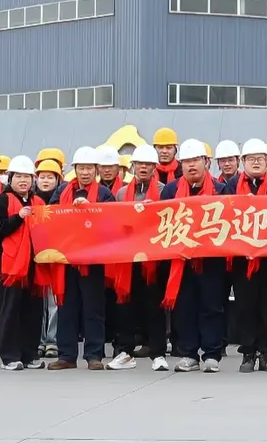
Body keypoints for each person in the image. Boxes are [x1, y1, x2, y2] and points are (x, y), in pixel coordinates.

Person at [161, 139, 229, 373]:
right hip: (181, 260)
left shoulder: (221, 190)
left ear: (206, 163)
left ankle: (212, 354)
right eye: (186, 162)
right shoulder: (170, 191)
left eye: (196, 161)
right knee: (184, 307)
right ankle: (189, 353)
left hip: (212, 260)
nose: (191, 166)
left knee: (212, 306)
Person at [49, 147, 113, 370]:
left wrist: (91, 210)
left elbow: (111, 222)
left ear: (96, 170)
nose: (85, 172)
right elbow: (51, 217)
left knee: (93, 308)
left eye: (89, 168)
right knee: (66, 306)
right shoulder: (62, 191)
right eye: (81, 168)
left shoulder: (104, 194)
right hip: (66, 258)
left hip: (93, 260)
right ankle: (66, 355)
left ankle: (94, 355)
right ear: (74, 169)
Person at [107, 145, 168, 371]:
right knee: (125, 306)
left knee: (154, 307)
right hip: (127, 258)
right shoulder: (122, 193)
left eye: (148, 164)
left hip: (154, 259)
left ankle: (158, 353)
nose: (143, 168)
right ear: (133, 166)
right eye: (140, 164)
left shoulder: (163, 191)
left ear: (154, 167)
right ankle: (124, 351)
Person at [232, 139, 267, 373]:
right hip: (241, 258)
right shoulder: (233, 185)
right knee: (245, 306)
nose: (256, 163)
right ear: (243, 162)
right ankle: (248, 354)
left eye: (261, 159)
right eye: (251, 159)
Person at [0, 156, 49, 370]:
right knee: (10, 310)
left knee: (33, 310)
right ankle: (9, 355)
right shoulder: (3, 200)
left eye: (27, 176)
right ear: (10, 178)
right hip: (11, 266)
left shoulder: (39, 202)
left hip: (34, 265)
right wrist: (17, 217)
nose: (23, 180)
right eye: (18, 176)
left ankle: (29, 353)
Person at [33, 158, 63, 358]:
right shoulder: (30, 200)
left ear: (57, 180)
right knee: (37, 303)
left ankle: (51, 341)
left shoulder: (62, 200)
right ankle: (38, 341)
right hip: (35, 257)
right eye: (42, 177)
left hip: (55, 257)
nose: (45, 181)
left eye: (50, 177)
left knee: (53, 303)